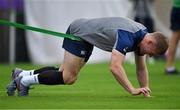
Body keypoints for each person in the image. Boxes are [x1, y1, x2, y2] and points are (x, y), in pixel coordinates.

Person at [7, 17, 168, 97]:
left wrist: (145, 88)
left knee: (62, 72)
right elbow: (115, 67)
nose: (148, 55)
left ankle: (23, 74)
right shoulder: (128, 36)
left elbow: (141, 67)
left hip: (87, 37)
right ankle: (23, 81)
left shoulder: (142, 36)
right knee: (68, 77)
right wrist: (132, 89)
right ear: (149, 41)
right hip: (79, 33)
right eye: (150, 52)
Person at [165, 0, 180, 74]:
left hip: (175, 9)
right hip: (177, 9)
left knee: (174, 39)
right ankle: (169, 67)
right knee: (174, 39)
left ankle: (169, 66)